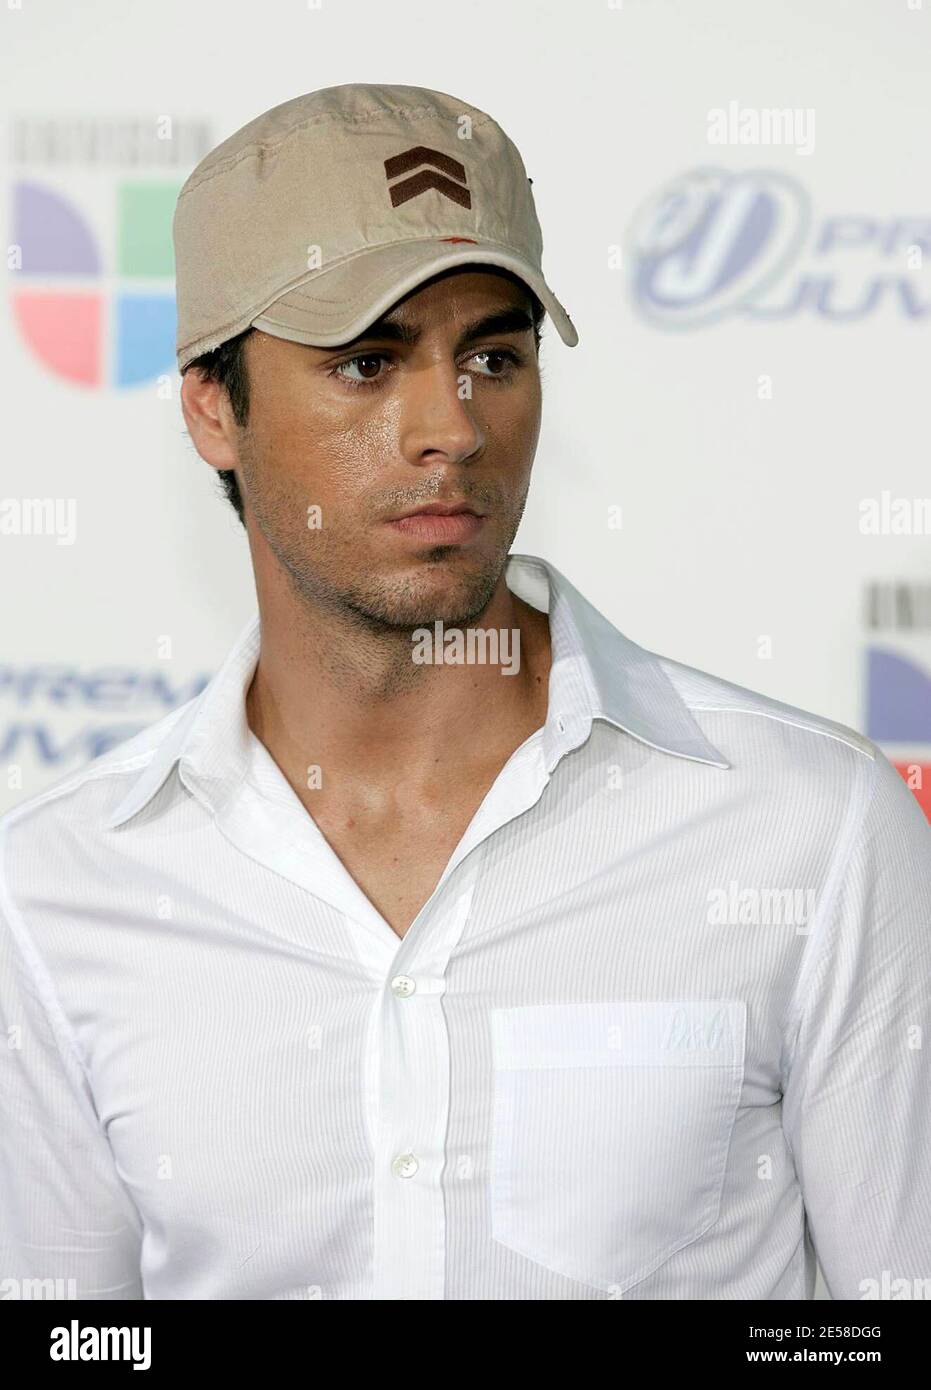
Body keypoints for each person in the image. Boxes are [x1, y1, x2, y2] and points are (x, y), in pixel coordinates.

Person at [1, 83, 929, 1302]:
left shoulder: (813, 826)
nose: (451, 425)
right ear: (212, 407)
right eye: (366, 362)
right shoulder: (60, 890)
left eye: (494, 354)